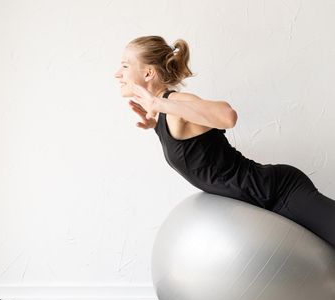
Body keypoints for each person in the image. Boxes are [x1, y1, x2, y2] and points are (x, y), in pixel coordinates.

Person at [114, 35, 335, 248]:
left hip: (279, 190)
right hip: (263, 199)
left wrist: (158, 105)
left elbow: (228, 116)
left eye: (124, 66)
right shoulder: (164, 112)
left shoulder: (173, 103)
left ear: (149, 72)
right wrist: (154, 124)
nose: (117, 74)